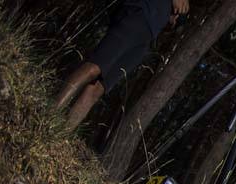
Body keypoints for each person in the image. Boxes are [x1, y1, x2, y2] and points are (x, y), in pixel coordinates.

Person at [54, 0, 188, 132]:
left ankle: (60, 133)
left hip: (148, 36)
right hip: (140, 13)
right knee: (95, 67)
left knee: (97, 88)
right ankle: (50, 114)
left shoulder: (165, 22)